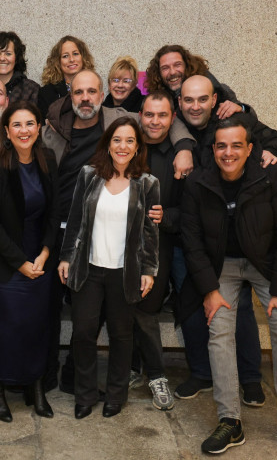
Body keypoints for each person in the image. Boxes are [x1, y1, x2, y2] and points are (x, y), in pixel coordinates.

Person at [42, 70, 193, 393]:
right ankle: (74, 383)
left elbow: (159, 118)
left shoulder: (121, 123)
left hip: (122, 258)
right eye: (78, 92)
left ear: (101, 95)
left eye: (92, 91)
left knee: (124, 327)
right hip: (73, 238)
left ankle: (129, 386)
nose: (85, 98)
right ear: (71, 96)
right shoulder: (56, 129)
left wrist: (183, 145)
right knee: (83, 325)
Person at [181, 117, 277, 456]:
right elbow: (192, 241)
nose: (229, 152)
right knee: (219, 328)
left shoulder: (272, 177)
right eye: (221, 146)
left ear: (250, 149)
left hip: (265, 265)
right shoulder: (198, 183)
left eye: (236, 145)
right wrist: (209, 290)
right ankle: (230, 421)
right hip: (221, 266)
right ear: (213, 150)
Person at [174, 74, 277, 405]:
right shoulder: (177, 130)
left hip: (251, 248)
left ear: (214, 100)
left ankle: (250, 377)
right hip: (203, 241)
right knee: (197, 302)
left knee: (243, 309)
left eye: (202, 99)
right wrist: (184, 148)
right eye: (188, 100)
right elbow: (191, 228)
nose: (195, 105)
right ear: (179, 103)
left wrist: (271, 153)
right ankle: (205, 376)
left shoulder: (236, 121)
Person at [58, 116, 159, 419]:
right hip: (88, 269)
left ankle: (116, 395)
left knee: (121, 335)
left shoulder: (148, 184)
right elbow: (74, 220)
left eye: (130, 140)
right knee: (84, 332)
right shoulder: (89, 175)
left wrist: (149, 270)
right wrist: (66, 257)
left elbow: (150, 232)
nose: (123, 146)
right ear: (108, 143)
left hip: (124, 272)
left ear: (138, 146)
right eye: (117, 140)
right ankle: (85, 394)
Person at [0, 101, 59, 422]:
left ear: (39, 127)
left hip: (41, 259)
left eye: (30, 124)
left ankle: (35, 386)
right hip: (6, 262)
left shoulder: (48, 159)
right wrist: (20, 263)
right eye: (17, 125)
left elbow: (55, 213)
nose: (24, 130)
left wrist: (44, 253)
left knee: (38, 327)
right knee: (9, 328)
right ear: (7, 131)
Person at [129, 90, 185, 411]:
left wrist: (168, 217)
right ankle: (135, 368)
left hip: (158, 245)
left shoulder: (179, 156)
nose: (155, 121)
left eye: (162, 115)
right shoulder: (125, 147)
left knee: (146, 308)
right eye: (149, 114)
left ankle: (156, 374)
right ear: (141, 116)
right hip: (119, 247)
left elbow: (189, 210)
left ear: (172, 118)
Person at [145, 45, 248, 120]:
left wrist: (241, 108)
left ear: (187, 66)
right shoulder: (158, 100)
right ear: (158, 73)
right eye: (165, 68)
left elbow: (251, 120)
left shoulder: (215, 88)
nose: (172, 72)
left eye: (177, 65)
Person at [37, 36, 95, 119]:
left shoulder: (94, 86)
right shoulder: (46, 93)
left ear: (83, 57)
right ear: (58, 62)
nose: (71, 59)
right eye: (65, 56)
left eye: (75, 54)